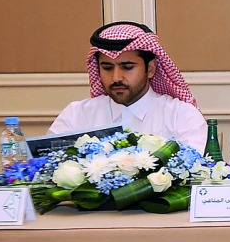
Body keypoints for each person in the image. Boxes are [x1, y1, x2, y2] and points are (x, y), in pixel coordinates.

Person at [49, 21, 206, 148]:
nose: (116, 77)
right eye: (107, 68)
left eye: (127, 67)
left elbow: (194, 170)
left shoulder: (181, 115)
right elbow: (47, 167)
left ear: (150, 69)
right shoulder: (76, 115)